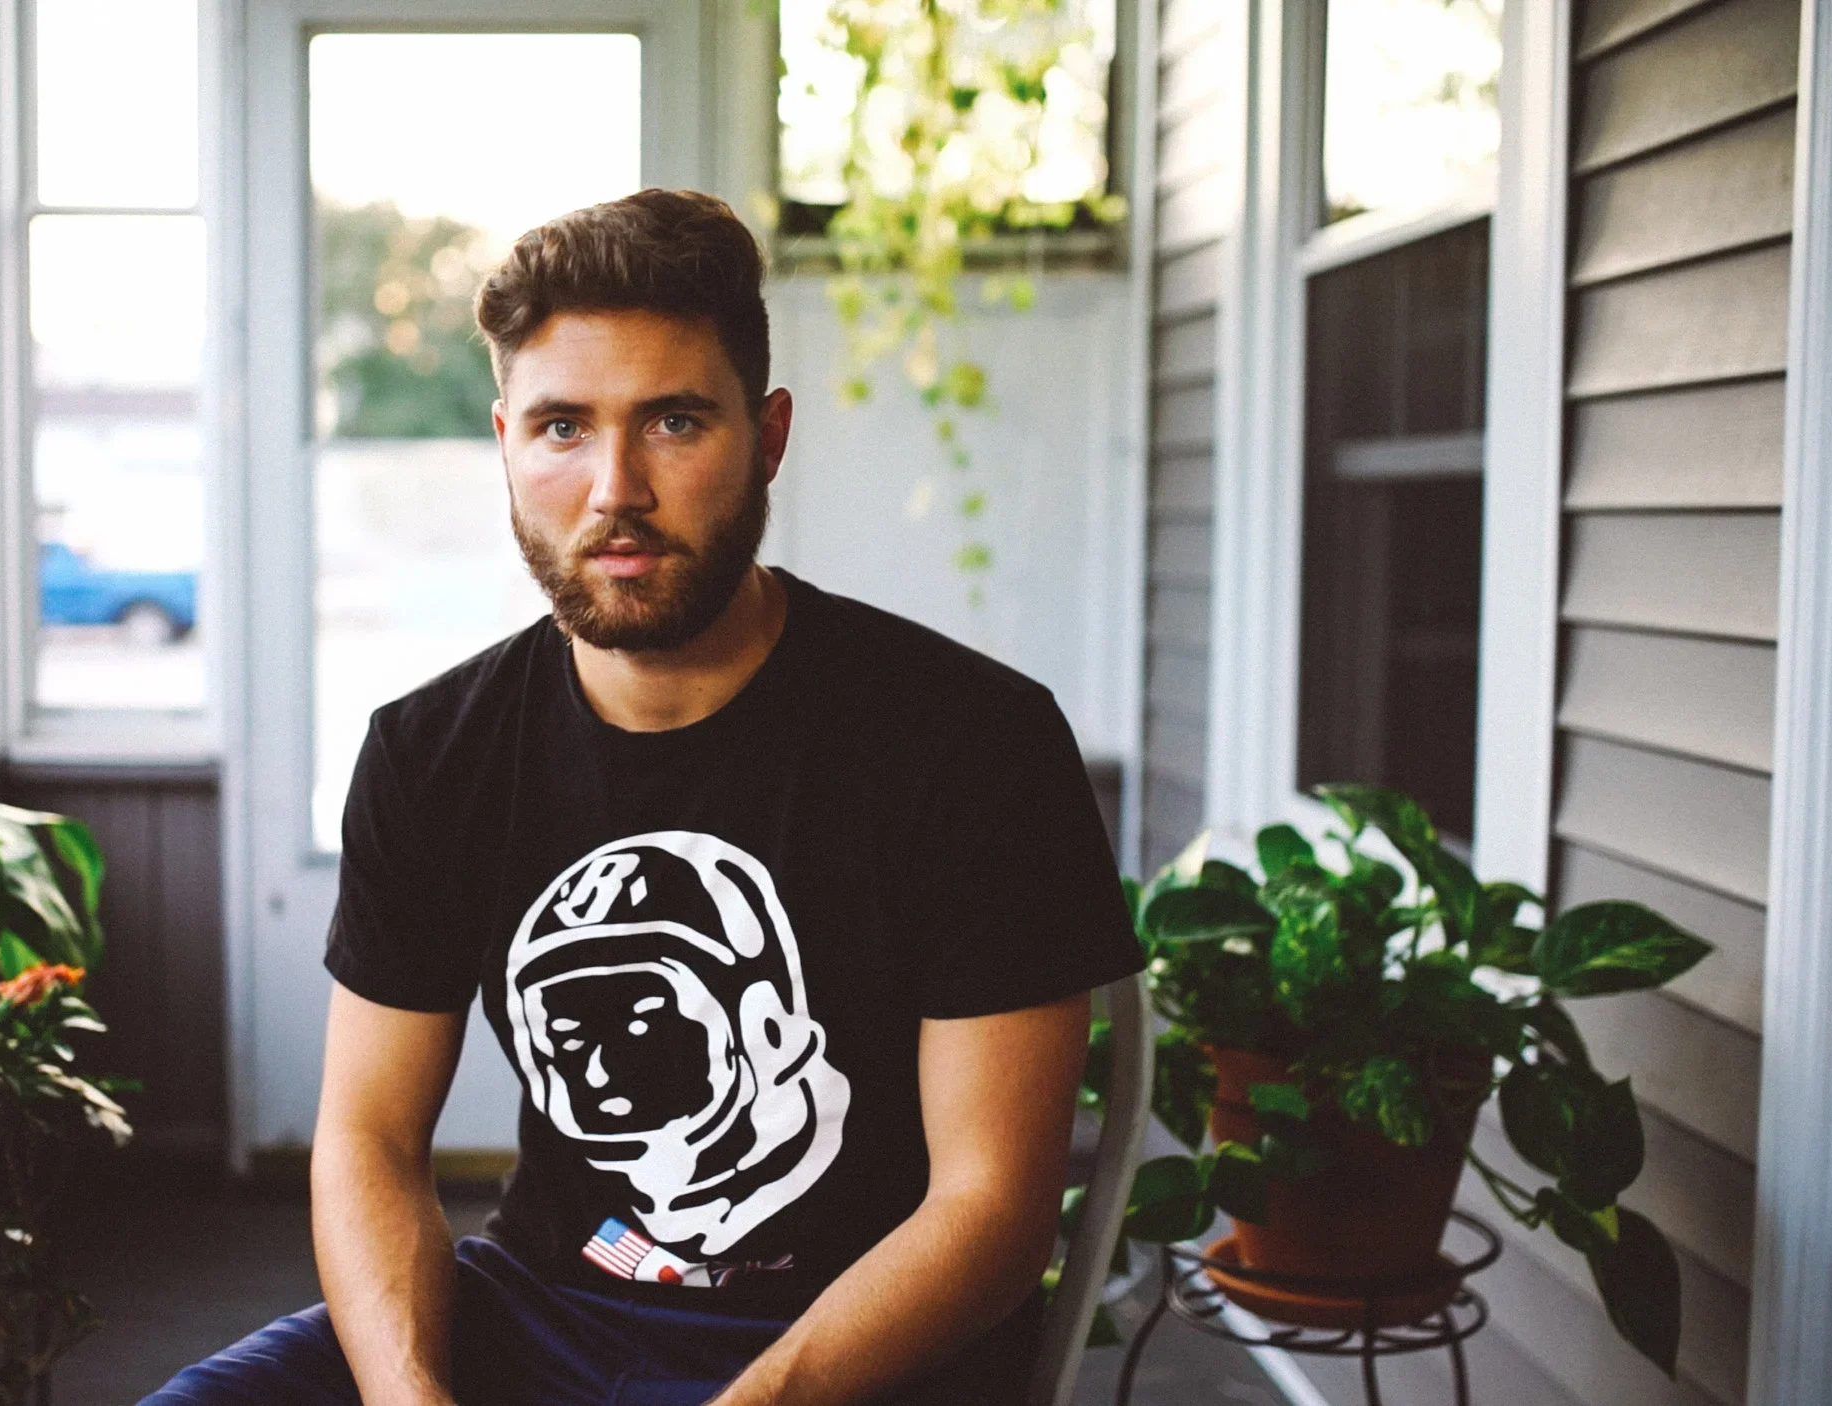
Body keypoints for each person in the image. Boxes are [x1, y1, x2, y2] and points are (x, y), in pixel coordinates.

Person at [144, 188, 1144, 1406]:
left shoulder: (972, 742)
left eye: (673, 421)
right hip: (543, 1306)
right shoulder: (431, 754)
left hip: (856, 1343)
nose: (615, 486)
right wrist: (412, 1396)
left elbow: (990, 1211)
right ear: (505, 439)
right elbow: (367, 1138)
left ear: (767, 436)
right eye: (563, 428)